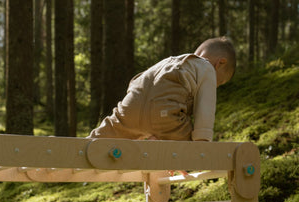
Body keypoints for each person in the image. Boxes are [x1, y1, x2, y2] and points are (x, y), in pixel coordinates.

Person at [88, 37, 236, 143]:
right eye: (220, 82)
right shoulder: (208, 68)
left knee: (110, 131)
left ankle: (80, 147)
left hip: (131, 106)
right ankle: (159, 144)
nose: (216, 86)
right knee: (188, 140)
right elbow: (205, 112)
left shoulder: (170, 62)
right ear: (220, 63)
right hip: (165, 113)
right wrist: (201, 145)